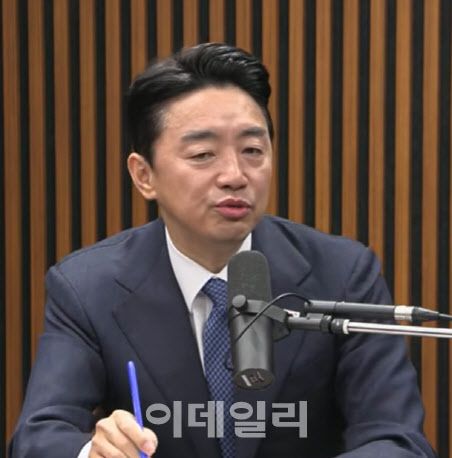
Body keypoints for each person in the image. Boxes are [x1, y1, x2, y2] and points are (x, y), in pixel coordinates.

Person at [9, 43, 435, 458]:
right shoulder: (88, 287)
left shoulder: (343, 273)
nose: (234, 175)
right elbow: (38, 438)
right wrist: (93, 452)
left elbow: (398, 440)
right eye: (203, 154)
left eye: (252, 151)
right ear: (144, 175)